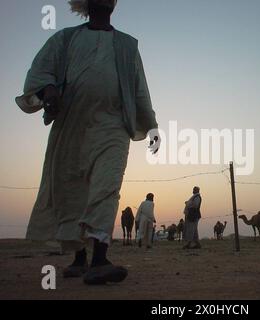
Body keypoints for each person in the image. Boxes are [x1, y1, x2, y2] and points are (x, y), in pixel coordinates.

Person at [15, 0, 160, 285]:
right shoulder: (65, 39)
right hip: (72, 125)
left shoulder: (128, 46)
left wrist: (151, 125)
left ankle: (99, 260)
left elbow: (139, 88)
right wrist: (49, 91)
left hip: (114, 126)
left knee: (107, 186)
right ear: (86, 3)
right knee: (73, 190)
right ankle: (80, 258)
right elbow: (40, 73)